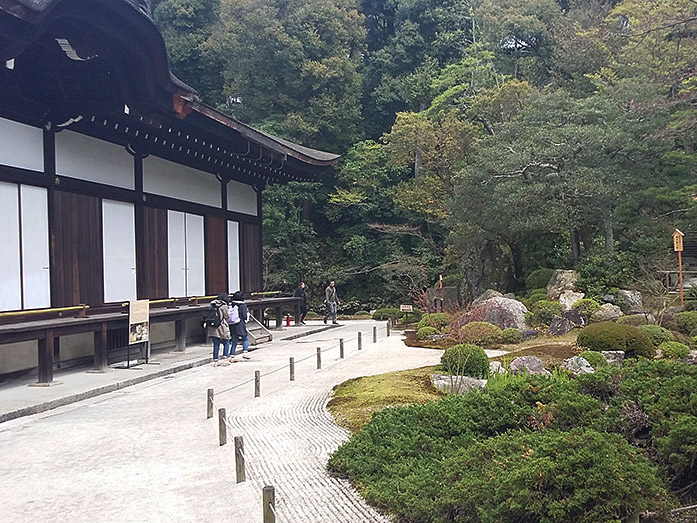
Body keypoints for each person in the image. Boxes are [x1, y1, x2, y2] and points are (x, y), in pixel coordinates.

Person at [207, 292, 230, 364]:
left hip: (213, 326)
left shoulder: (212, 304)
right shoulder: (223, 305)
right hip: (221, 325)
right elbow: (226, 316)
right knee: (226, 342)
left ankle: (215, 360)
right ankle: (225, 358)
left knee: (216, 344)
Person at [229, 290, 251, 361]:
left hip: (232, 323)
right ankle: (245, 352)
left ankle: (232, 355)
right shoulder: (243, 305)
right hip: (240, 323)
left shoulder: (232, 304)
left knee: (234, 339)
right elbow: (244, 315)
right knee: (245, 337)